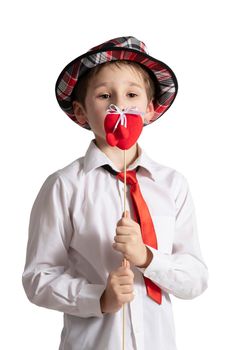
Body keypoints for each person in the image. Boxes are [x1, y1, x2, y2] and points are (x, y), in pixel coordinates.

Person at [22, 36, 209, 350]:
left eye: (132, 94)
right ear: (81, 112)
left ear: (149, 110)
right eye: (105, 95)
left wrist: (147, 257)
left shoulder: (172, 185)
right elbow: (38, 277)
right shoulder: (64, 186)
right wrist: (99, 297)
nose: (119, 104)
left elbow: (195, 278)